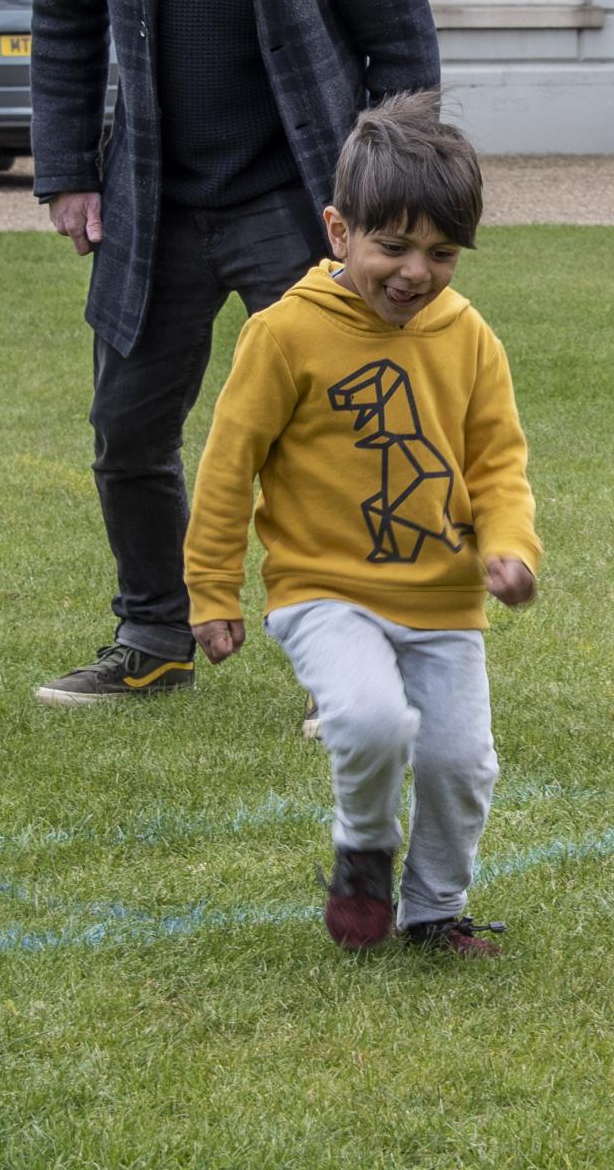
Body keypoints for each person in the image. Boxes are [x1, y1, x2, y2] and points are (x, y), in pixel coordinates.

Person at [30, 0, 440, 705]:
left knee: (339, 432)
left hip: (302, 195)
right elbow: (65, 21)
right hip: (151, 196)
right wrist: (71, 172)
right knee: (127, 429)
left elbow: (402, 51)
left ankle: (356, 660)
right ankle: (154, 635)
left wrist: (384, 208)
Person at [185, 92, 541, 959]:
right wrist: (209, 590)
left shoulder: (468, 336)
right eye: (394, 246)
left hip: (444, 603)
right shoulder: (283, 336)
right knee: (372, 720)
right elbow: (230, 466)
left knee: (463, 769)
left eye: (442, 252)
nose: (417, 272)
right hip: (325, 591)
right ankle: (364, 852)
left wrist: (509, 547)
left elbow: (497, 461)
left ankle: (433, 912)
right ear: (339, 230)